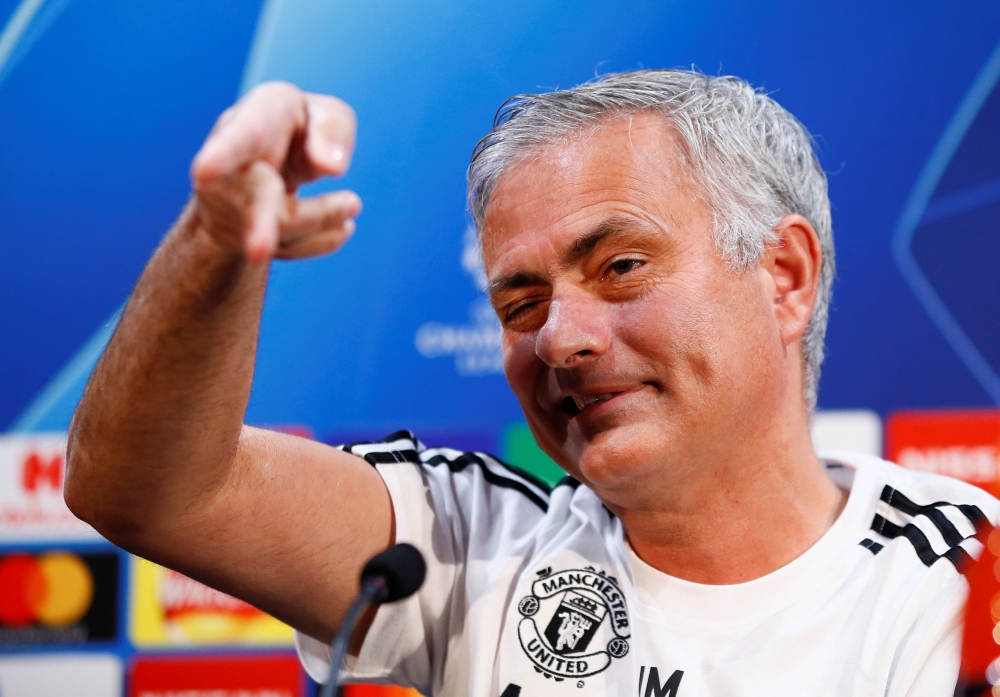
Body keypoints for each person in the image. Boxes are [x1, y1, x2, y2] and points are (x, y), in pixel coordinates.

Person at [64, 70, 997, 697]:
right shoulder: (471, 543)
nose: (559, 338)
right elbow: (147, 493)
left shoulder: (965, 582)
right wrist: (218, 238)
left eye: (621, 266)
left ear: (784, 277)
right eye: (521, 303)